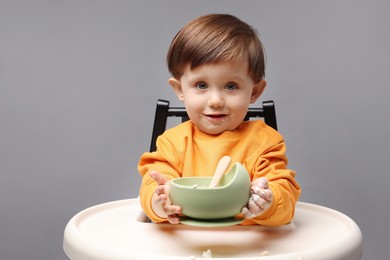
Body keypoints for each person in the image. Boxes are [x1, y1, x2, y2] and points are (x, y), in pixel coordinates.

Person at [138, 14, 301, 226]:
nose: (215, 101)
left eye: (231, 86)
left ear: (254, 91)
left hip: (247, 248)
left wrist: (267, 202)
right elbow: (151, 185)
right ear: (180, 89)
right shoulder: (172, 142)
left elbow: (284, 196)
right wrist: (160, 201)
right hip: (184, 245)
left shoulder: (264, 142)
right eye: (201, 85)